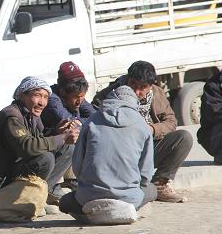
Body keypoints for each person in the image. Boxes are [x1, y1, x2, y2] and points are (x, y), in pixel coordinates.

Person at [93, 61, 193, 203]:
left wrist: (151, 129)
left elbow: (171, 122)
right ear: (127, 79)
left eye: (143, 87)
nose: (137, 92)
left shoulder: (157, 93)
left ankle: (160, 184)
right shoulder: (109, 95)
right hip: (121, 153)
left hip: (148, 146)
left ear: (150, 86)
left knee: (184, 138)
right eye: (133, 85)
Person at [0, 76, 79, 202]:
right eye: (37, 95)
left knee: (68, 147)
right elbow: (27, 147)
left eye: (45, 97)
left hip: (16, 169)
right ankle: (28, 198)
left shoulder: (31, 115)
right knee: (45, 158)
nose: (42, 102)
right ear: (22, 95)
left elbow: (40, 140)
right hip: (1, 180)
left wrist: (57, 132)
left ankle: (44, 192)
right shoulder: (12, 116)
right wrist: (61, 138)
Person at [59, 86, 157, 216]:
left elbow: (78, 166)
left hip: (89, 198)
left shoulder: (92, 121)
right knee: (152, 190)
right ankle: (130, 210)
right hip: (128, 199)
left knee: (65, 202)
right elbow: (145, 174)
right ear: (134, 102)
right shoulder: (142, 125)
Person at [42, 61, 96, 135]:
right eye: (76, 97)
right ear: (62, 92)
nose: (79, 101)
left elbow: (95, 116)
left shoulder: (78, 96)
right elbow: (70, 124)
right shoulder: (52, 99)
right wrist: (81, 122)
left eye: (82, 96)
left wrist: (80, 122)